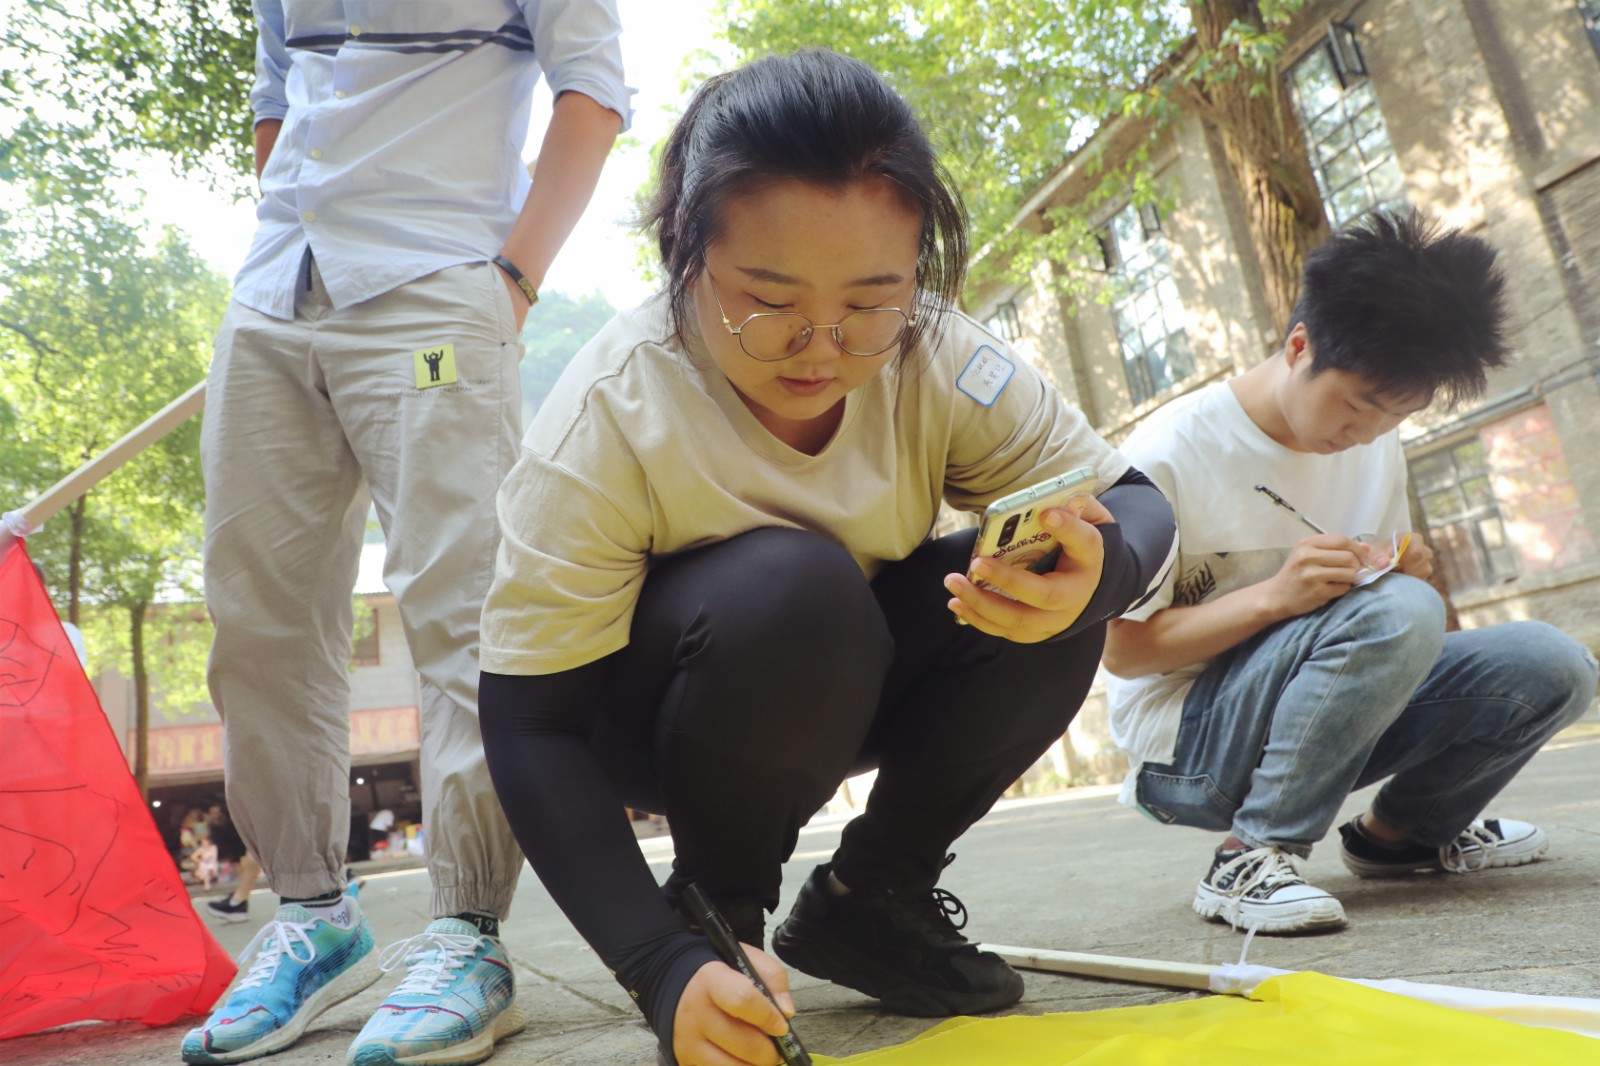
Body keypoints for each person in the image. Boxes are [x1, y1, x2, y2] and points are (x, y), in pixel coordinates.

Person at [476, 50, 1176, 1066]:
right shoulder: (609, 414)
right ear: (686, 253)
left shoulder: (938, 354)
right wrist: (657, 964)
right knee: (795, 586)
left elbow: (1135, 502)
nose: (820, 346)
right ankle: (715, 917)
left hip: (846, 677)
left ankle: (873, 897)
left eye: (869, 302)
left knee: (1044, 571)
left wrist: (1096, 576)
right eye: (767, 299)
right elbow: (528, 724)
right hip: (652, 716)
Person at [185, 3, 632, 1064]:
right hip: (276, 290)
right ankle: (312, 915)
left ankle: (467, 933)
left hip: (435, 280)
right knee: (255, 617)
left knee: (460, 604)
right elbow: (277, 94)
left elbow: (593, 88)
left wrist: (511, 278)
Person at [1102, 210, 1599, 936]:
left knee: (1555, 664)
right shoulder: (1167, 454)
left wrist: (1406, 576)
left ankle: (1402, 837)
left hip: (1317, 713)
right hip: (1189, 749)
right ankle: (1249, 855)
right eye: (1359, 404)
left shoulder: (1372, 442)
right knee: (1398, 611)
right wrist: (1277, 596)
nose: (1365, 433)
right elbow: (1122, 652)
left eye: (1396, 416)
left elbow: (1379, 620)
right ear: (1299, 345)